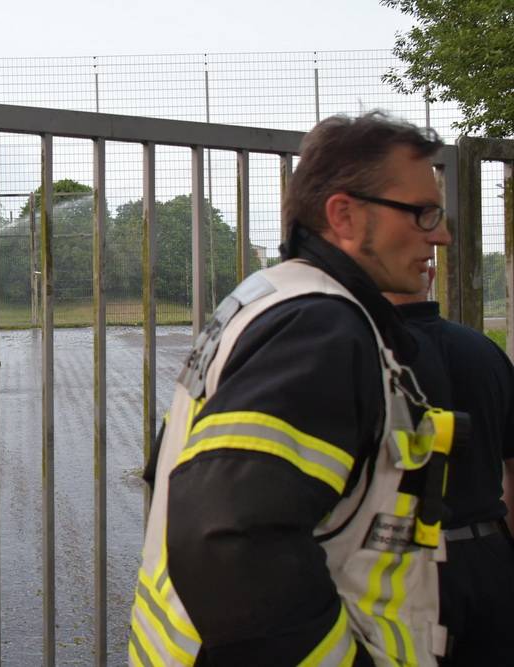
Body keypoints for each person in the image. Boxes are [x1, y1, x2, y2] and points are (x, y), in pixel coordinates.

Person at [130, 112, 455, 666]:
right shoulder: (321, 330)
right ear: (345, 216)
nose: (441, 235)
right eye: (423, 213)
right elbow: (228, 537)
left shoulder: (267, 297)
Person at [385, 268, 514, 665]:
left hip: (400, 565)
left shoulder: (371, 356)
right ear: (434, 275)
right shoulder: (484, 351)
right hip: (488, 557)